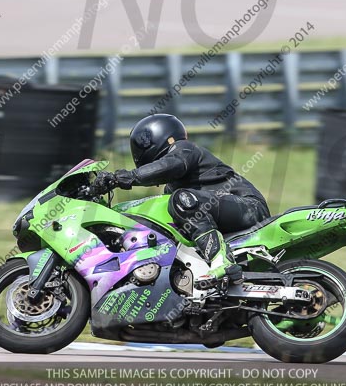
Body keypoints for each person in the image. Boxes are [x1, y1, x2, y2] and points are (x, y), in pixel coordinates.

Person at [96, 114, 271, 290]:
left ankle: (221, 260)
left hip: (249, 207)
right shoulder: (172, 189)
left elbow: (172, 164)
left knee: (181, 200)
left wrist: (124, 177)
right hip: (225, 213)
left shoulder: (185, 149)